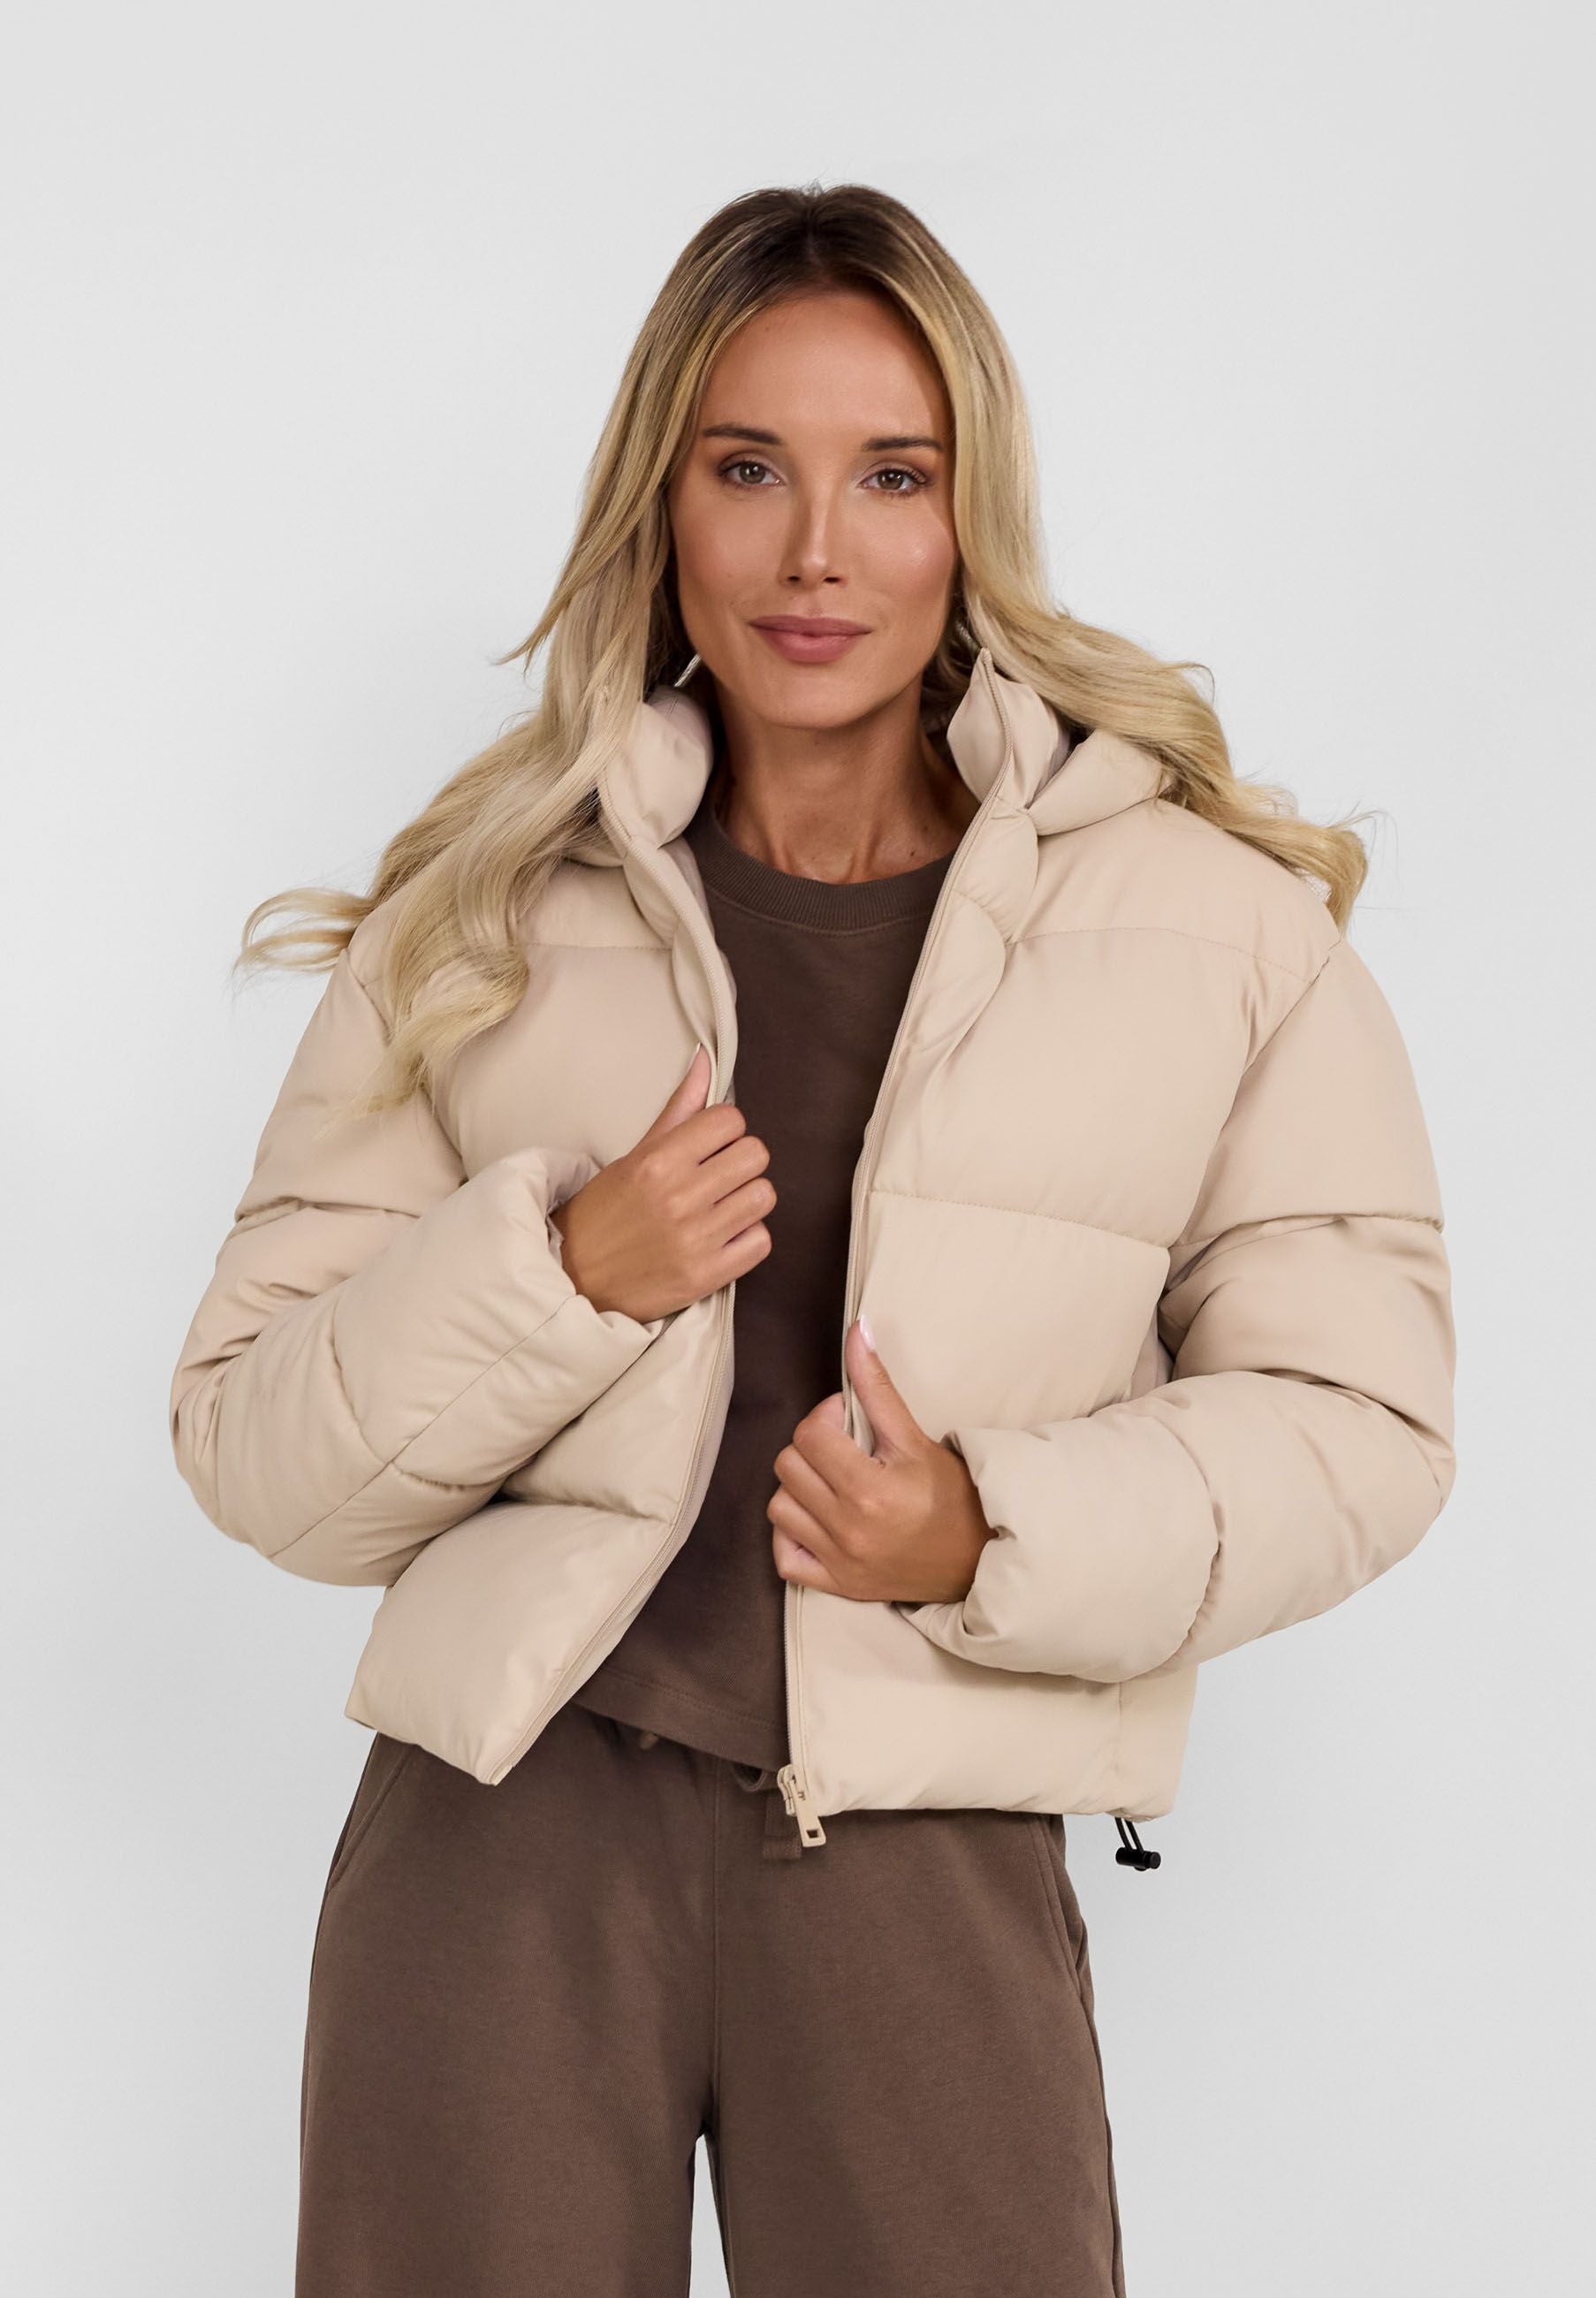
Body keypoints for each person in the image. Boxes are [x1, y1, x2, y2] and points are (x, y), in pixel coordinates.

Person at [168, 183, 1457, 2297]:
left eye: (894, 476)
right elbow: (250, 1443)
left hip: (925, 1849)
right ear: (663, 500)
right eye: (750, 468)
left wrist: (985, 1528)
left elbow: (1364, 1420)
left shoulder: (1213, 931)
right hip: (504, 1836)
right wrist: (557, 1275)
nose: (816, 553)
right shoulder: (479, 918)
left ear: (972, 516)